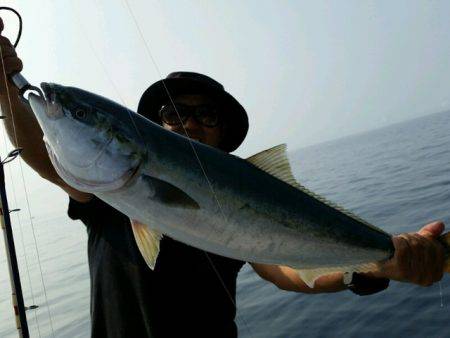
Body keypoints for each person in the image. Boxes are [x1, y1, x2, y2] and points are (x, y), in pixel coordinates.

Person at [0, 18, 446, 338]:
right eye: (173, 113)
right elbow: (40, 151)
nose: (189, 123)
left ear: (224, 134)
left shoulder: (244, 186)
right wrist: (4, 86)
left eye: (205, 115)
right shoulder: (107, 193)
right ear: (154, 128)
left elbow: (285, 270)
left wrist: (367, 268)